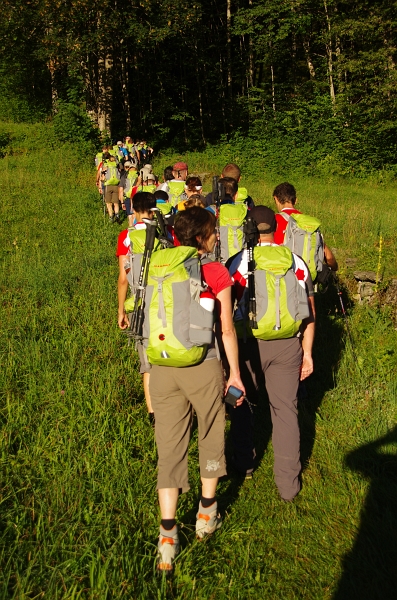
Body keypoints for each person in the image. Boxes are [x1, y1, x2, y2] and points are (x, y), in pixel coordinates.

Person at [150, 207, 245, 573]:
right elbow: (226, 329)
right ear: (202, 237)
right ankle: (206, 515)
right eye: (214, 232)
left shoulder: (160, 266)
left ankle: (168, 537)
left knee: (169, 447)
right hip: (202, 366)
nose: (218, 236)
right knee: (209, 434)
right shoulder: (216, 271)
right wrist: (233, 373)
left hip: (162, 369)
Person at [227, 205, 315, 502]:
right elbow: (310, 313)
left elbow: (226, 311)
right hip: (289, 343)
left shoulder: (239, 261)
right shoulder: (295, 260)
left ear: (249, 229)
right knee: (286, 411)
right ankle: (289, 486)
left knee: (240, 401)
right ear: (276, 229)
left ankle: (245, 462)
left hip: (248, 343)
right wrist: (308, 352)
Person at [116, 192, 157, 421]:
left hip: (140, 304)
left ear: (133, 209)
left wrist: (122, 309)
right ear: (155, 208)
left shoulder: (126, 236)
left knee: (147, 361)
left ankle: (153, 413)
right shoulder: (165, 231)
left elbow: (124, 277)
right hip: (165, 302)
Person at [273, 182, 338, 272]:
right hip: (306, 278)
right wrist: (334, 269)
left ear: (276, 199)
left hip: (284, 276)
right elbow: (329, 257)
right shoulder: (309, 223)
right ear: (295, 200)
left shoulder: (273, 220)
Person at [101, 155, 121, 222]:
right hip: (116, 185)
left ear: (108, 160)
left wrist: (102, 180)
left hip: (108, 186)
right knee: (116, 202)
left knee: (108, 203)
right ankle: (117, 214)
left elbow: (103, 178)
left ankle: (111, 216)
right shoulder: (116, 166)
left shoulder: (106, 166)